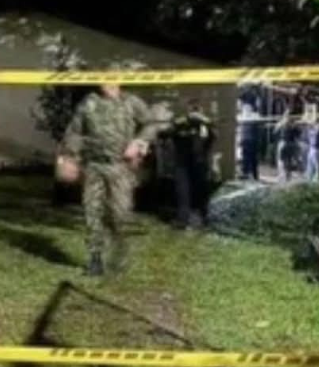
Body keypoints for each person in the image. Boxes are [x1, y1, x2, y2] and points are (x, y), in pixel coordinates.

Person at [57, 80, 160, 276]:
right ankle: (95, 258)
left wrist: (138, 142)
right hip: (93, 166)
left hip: (119, 166)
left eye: (111, 78)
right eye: (103, 79)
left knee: (119, 213)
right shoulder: (89, 102)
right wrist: (69, 157)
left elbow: (151, 125)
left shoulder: (131, 102)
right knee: (92, 210)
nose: (107, 83)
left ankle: (119, 252)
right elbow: (75, 132)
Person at [170, 99, 216, 229]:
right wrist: (186, 122)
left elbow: (212, 137)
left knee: (202, 193)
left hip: (199, 163)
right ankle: (183, 220)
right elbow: (170, 131)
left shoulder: (205, 126)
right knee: (183, 193)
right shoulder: (180, 124)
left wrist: (204, 122)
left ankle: (204, 218)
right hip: (182, 164)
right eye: (192, 109)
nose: (195, 112)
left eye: (197, 109)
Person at [304, 115, 319, 182]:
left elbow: (314, 133)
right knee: (311, 164)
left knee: (316, 165)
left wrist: (311, 126)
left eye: (317, 123)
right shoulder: (318, 129)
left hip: (318, 149)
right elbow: (311, 133)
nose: (316, 124)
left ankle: (317, 179)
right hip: (313, 149)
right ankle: (310, 178)